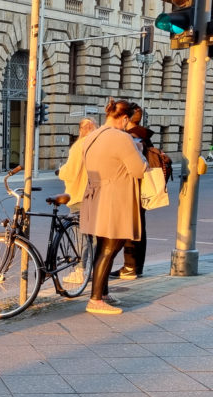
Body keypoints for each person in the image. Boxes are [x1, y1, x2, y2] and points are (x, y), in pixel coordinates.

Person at [80, 98, 147, 315]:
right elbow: (138, 169)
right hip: (114, 197)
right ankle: (95, 300)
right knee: (109, 248)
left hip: (95, 195)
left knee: (103, 247)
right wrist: (141, 155)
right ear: (125, 118)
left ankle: (103, 293)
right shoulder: (121, 138)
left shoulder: (93, 136)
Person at [110, 104, 154, 280]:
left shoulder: (132, 138)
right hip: (140, 187)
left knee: (130, 228)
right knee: (139, 227)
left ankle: (130, 266)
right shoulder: (143, 135)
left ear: (126, 119)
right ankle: (136, 266)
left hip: (131, 188)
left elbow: (134, 167)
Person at [58, 117, 98, 213]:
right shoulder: (99, 143)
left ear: (81, 130)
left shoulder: (78, 146)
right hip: (96, 196)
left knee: (78, 225)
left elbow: (70, 172)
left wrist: (61, 171)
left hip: (79, 195)